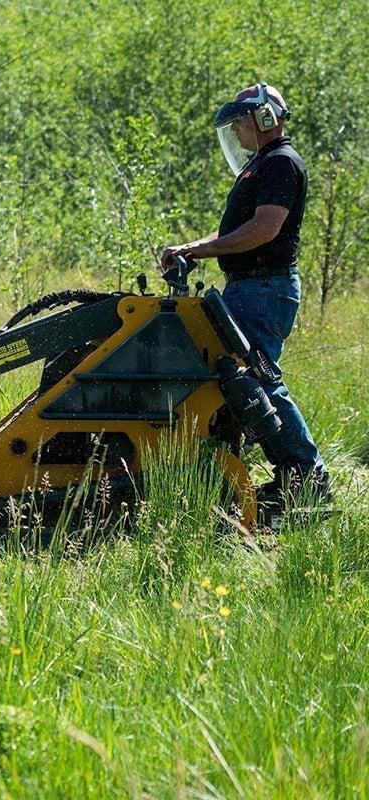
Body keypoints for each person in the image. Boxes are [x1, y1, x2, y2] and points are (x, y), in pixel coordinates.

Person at [160, 81, 330, 508]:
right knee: (241, 379)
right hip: (249, 287)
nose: (236, 132)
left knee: (257, 380)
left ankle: (306, 479)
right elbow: (239, 229)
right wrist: (193, 248)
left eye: (239, 123)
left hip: (264, 288)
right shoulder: (262, 165)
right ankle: (279, 473)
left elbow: (264, 229)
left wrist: (204, 250)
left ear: (264, 117)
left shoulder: (280, 164)